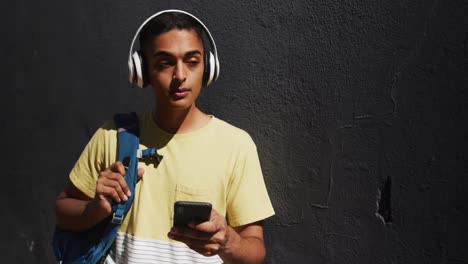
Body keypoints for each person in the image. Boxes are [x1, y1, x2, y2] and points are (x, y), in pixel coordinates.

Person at [55, 10, 274, 264]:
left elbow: (255, 251)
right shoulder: (113, 135)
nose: (180, 75)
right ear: (142, 72)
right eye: (164, 63)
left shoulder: (236, 145)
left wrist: (228, 241)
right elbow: (63, 210)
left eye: (192, 61)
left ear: (208, 67)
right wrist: (96, 209)